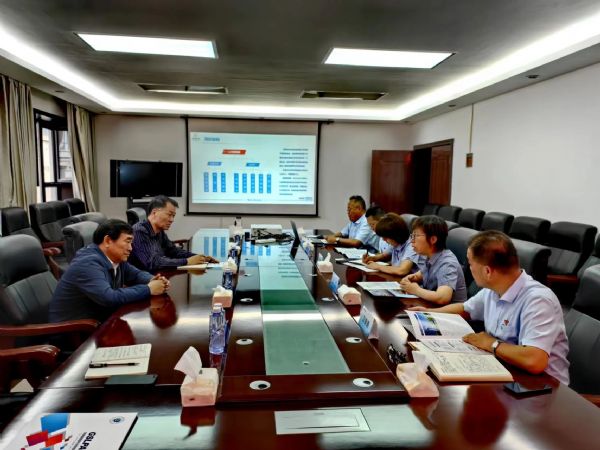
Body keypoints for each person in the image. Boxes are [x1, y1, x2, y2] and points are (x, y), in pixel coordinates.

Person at [409, 230, 569, 384]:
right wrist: (429, 313)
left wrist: (491, 344)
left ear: (487, 271)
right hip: (504, 369)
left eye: (470, 264)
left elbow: (534, 360)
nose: (469, 268)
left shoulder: (538, 300)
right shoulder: (494, 289)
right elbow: (465, 309)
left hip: (543, 387)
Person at [49, 219, 169, 322]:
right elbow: (109, 297)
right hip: (74, 332)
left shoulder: (116, 258)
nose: (130, 248)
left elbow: (136, 274)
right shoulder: (88, 264)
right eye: (127, 242)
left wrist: (153, 280)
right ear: (107, 241)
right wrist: (148, 289)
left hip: (101, 321)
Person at [130, 195, 217, 272]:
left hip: (158, 275)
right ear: (154, 212)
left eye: (173, 216)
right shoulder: (139, 231)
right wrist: (187, 261)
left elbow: (173, 251)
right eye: (169, 214)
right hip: (144, 280)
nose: (172, 220)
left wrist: (200, 258)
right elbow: (152, 262)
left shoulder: (159, 231)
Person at [400, 215, 467, 303]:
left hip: (448, 310)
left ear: (433, 239)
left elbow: (443, 297)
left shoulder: (447, 263)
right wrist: (414, 277)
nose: (412, 241)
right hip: (432, 306)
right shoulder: (429, 255)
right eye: (412, 236)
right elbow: (427, 272)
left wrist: (415, 290)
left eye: (416, 236)